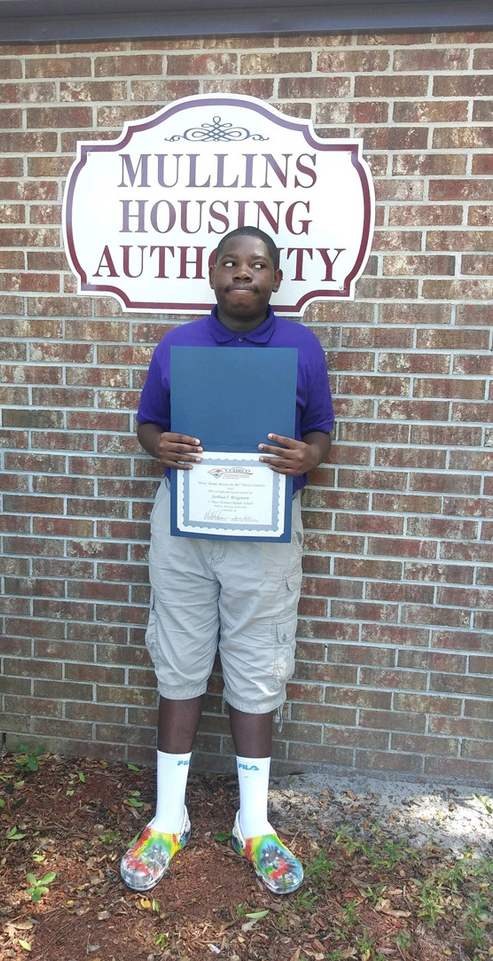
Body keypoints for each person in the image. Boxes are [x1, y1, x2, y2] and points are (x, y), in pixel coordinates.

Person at [120, 226, 334, 895]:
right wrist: (162, 445)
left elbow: (321, 429)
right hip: (186, 524)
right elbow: (146, 422)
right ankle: (168, 816)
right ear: (212, 273)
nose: (244, 273)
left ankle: (253, 823)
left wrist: (310, 457)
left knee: (257, 664)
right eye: (232, 263)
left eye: (258, 265)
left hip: (264, 530)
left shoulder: (300, 345)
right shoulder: (178, 344)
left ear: (275, 279)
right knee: (178, 657)